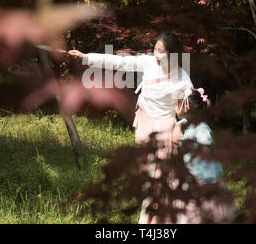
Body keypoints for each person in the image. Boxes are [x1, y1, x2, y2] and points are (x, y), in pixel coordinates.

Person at [68, 32, 194, 224]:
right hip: (144, 124)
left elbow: (191, 111)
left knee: (159, 179)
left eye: (161, 51)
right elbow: (120, 62)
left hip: (164, 130)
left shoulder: (182, 79)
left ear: (172, 54)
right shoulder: (149, 63)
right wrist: (86, 57)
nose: (156, 54)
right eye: (155, 49)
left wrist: (181, 124)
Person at [174, 88, 237, 223]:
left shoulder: (202, 129)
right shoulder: (189, 125)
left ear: (186, 106)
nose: (175, 107)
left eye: (176, 104)